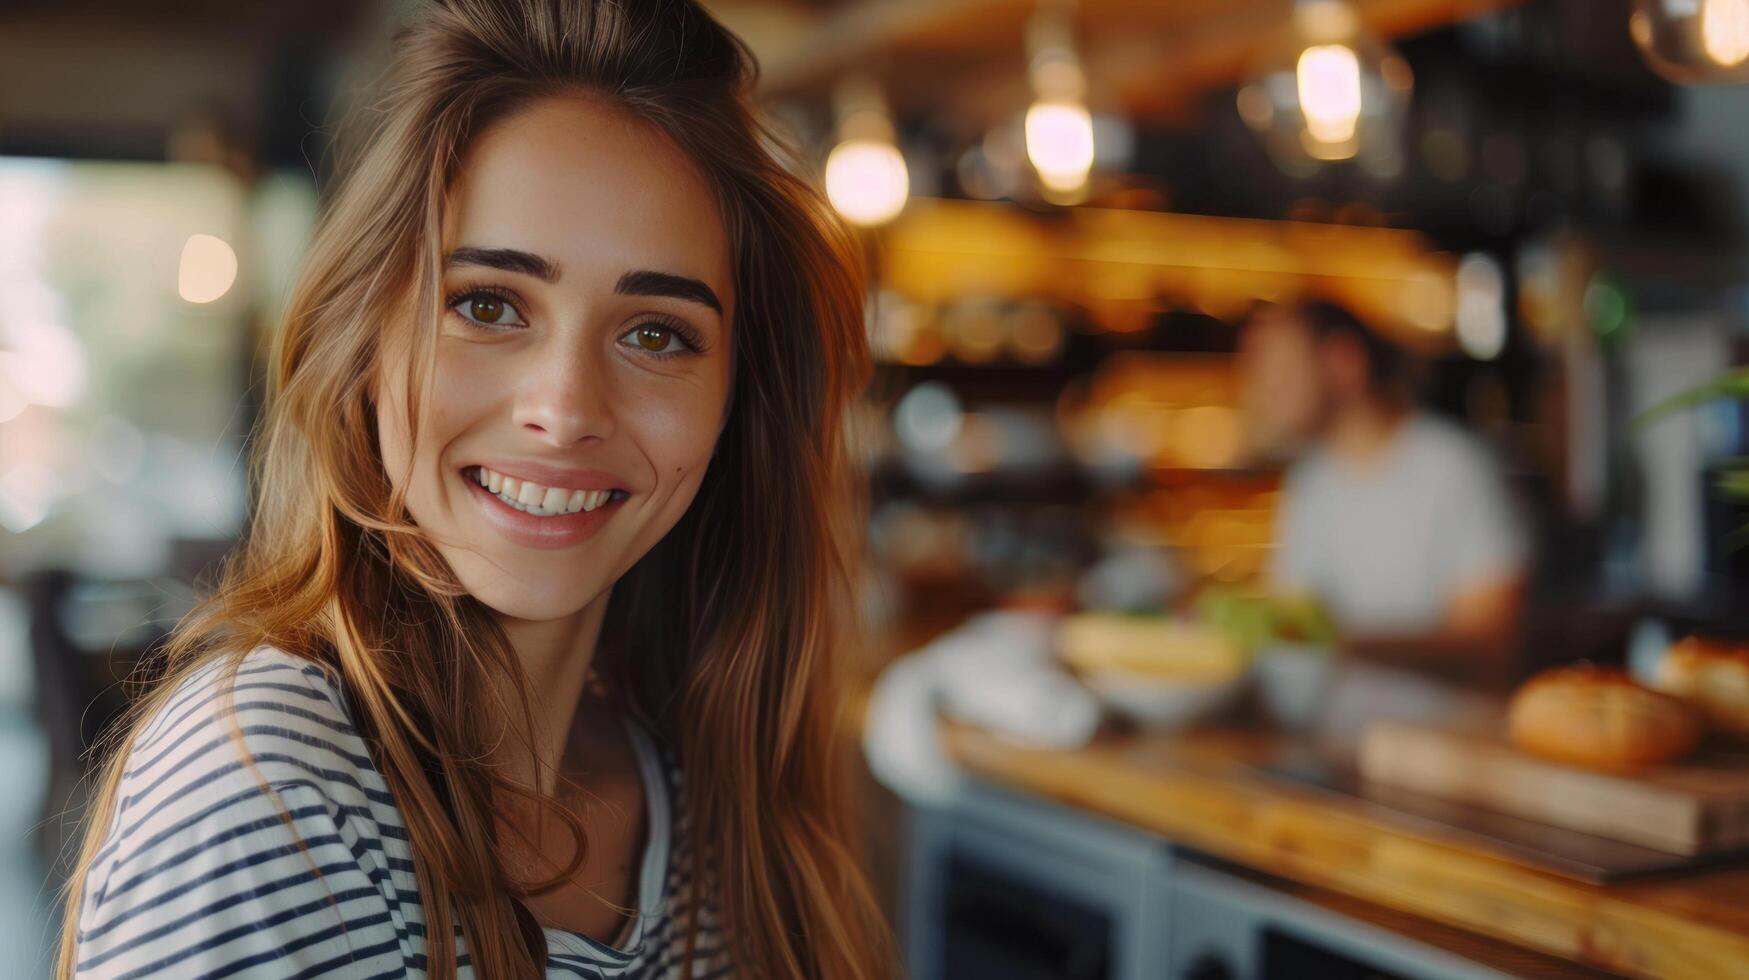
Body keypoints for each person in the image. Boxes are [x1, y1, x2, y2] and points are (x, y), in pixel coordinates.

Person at [57, 1, 895, 977]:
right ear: (366, 345)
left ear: (733, 398)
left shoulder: (702, 794)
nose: (565, 407)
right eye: (488, 305)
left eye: (656, 331)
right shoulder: (272, 794)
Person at [1241, 300, 1528, 685]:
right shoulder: (1309, 483)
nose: (1264, 391)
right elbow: (1289, 623)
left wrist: (1341, 642)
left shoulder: (1453, 466)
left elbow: (1491, 641)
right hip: (1336, 737)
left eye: (1280, 371)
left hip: (1442, 735)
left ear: (1344, 362)